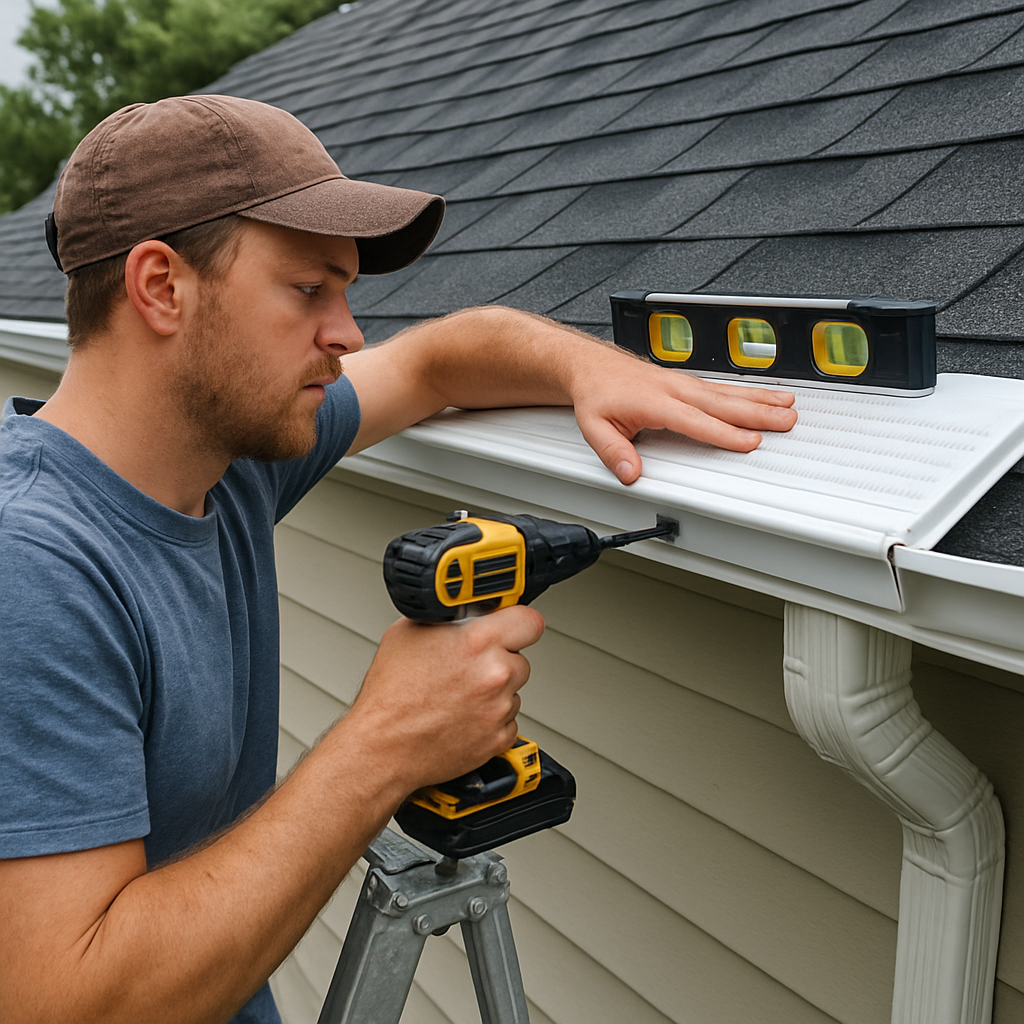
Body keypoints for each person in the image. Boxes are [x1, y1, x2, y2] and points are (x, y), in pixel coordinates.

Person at [0, 95, 797, 1024]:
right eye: (308, 290)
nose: (346, 333)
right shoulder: (36, 570)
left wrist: (589, 368)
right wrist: (387, 742)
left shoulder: (225, 463)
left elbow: (436, 360)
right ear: (162, 288)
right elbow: (64, 1002)